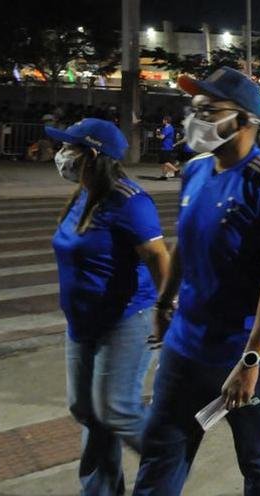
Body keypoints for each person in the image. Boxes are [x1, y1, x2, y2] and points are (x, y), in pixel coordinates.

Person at [135, 67, 260, 495]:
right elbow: (185, 244)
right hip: (186, 345)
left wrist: (251, 362)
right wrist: (162, 303)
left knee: (259, 459)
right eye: (194, 110)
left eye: (209, 111)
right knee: (162, 452)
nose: (197, 119)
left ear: (245, 120)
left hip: (245, 354)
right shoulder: (195, 171)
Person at [46, 118, 171, 496]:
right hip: (82, 322)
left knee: (116, 409)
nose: (62, 155)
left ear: (93, 154)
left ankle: (169, 462)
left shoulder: (129, 200)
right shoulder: (84, 194)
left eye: (70, 148)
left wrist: (167, 311)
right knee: (85, 409)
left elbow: (160, 258)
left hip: (125, 320)